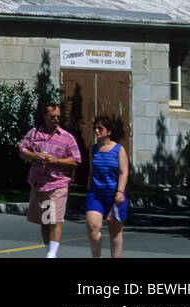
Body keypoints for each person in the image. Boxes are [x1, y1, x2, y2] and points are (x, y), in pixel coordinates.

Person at [18, 100, 81, 258]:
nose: (56, 120)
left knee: (55, 219)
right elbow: (21, 151)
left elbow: (76, 160)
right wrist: (33, 155)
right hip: (39, 183)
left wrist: (57, 161)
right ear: (44, 116)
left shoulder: (67, 137)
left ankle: (52, 254)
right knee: (45, 220)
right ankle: (49, 252)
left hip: (58, 183)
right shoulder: (34, 134)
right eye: (52, 117)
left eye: (58, 117)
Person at [85, 115, 128, 258]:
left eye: (100, 128)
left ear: (109, 131)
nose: (96, 131)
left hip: (114, 196)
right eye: (95, 128)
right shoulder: (93, 150)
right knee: (92, 227)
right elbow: (91, 171)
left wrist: (120, 192)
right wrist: (88, 188)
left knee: (114, 233)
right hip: (95, 195)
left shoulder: (119, 150)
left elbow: (123, 172)